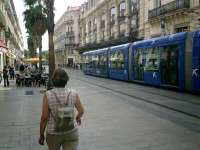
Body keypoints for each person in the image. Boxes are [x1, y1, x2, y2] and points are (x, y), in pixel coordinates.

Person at [39, 68, 84, 150]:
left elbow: (44, 118)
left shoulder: (48, 95)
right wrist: (78, 117)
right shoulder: (73, 93)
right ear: (66, 80)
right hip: (71, 131)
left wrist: (41, 134)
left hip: (53, 133)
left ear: (53, 80)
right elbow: (81, 111)